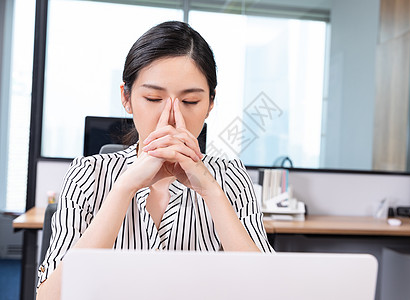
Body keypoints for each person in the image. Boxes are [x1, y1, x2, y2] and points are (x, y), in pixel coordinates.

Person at [36, 20, 273, 299]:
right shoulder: (87, 174)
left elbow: (267, 291)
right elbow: (50, 297)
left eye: (190, 102)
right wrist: (124, 189)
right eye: (152, 98)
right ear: (126, 97)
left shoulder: (230, 177)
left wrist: (210, 190)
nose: (172, 118)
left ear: (210, 103)